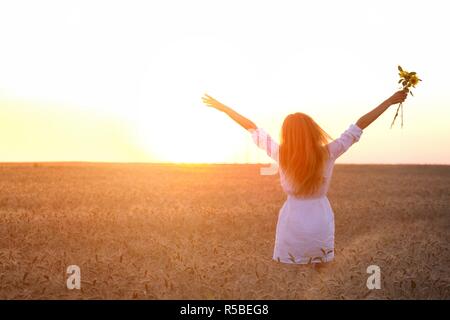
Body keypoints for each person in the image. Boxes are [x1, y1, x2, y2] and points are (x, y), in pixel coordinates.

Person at [201, 89, 408, 264]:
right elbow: (359, 125)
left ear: (287, 134)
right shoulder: (328, 152)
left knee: (288, 276)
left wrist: (224, 108)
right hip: (321, 219)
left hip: (291, 221)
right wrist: (389, 102)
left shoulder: (280, 154)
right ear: (312, 131)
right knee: (321, 277)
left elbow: (251, 127)